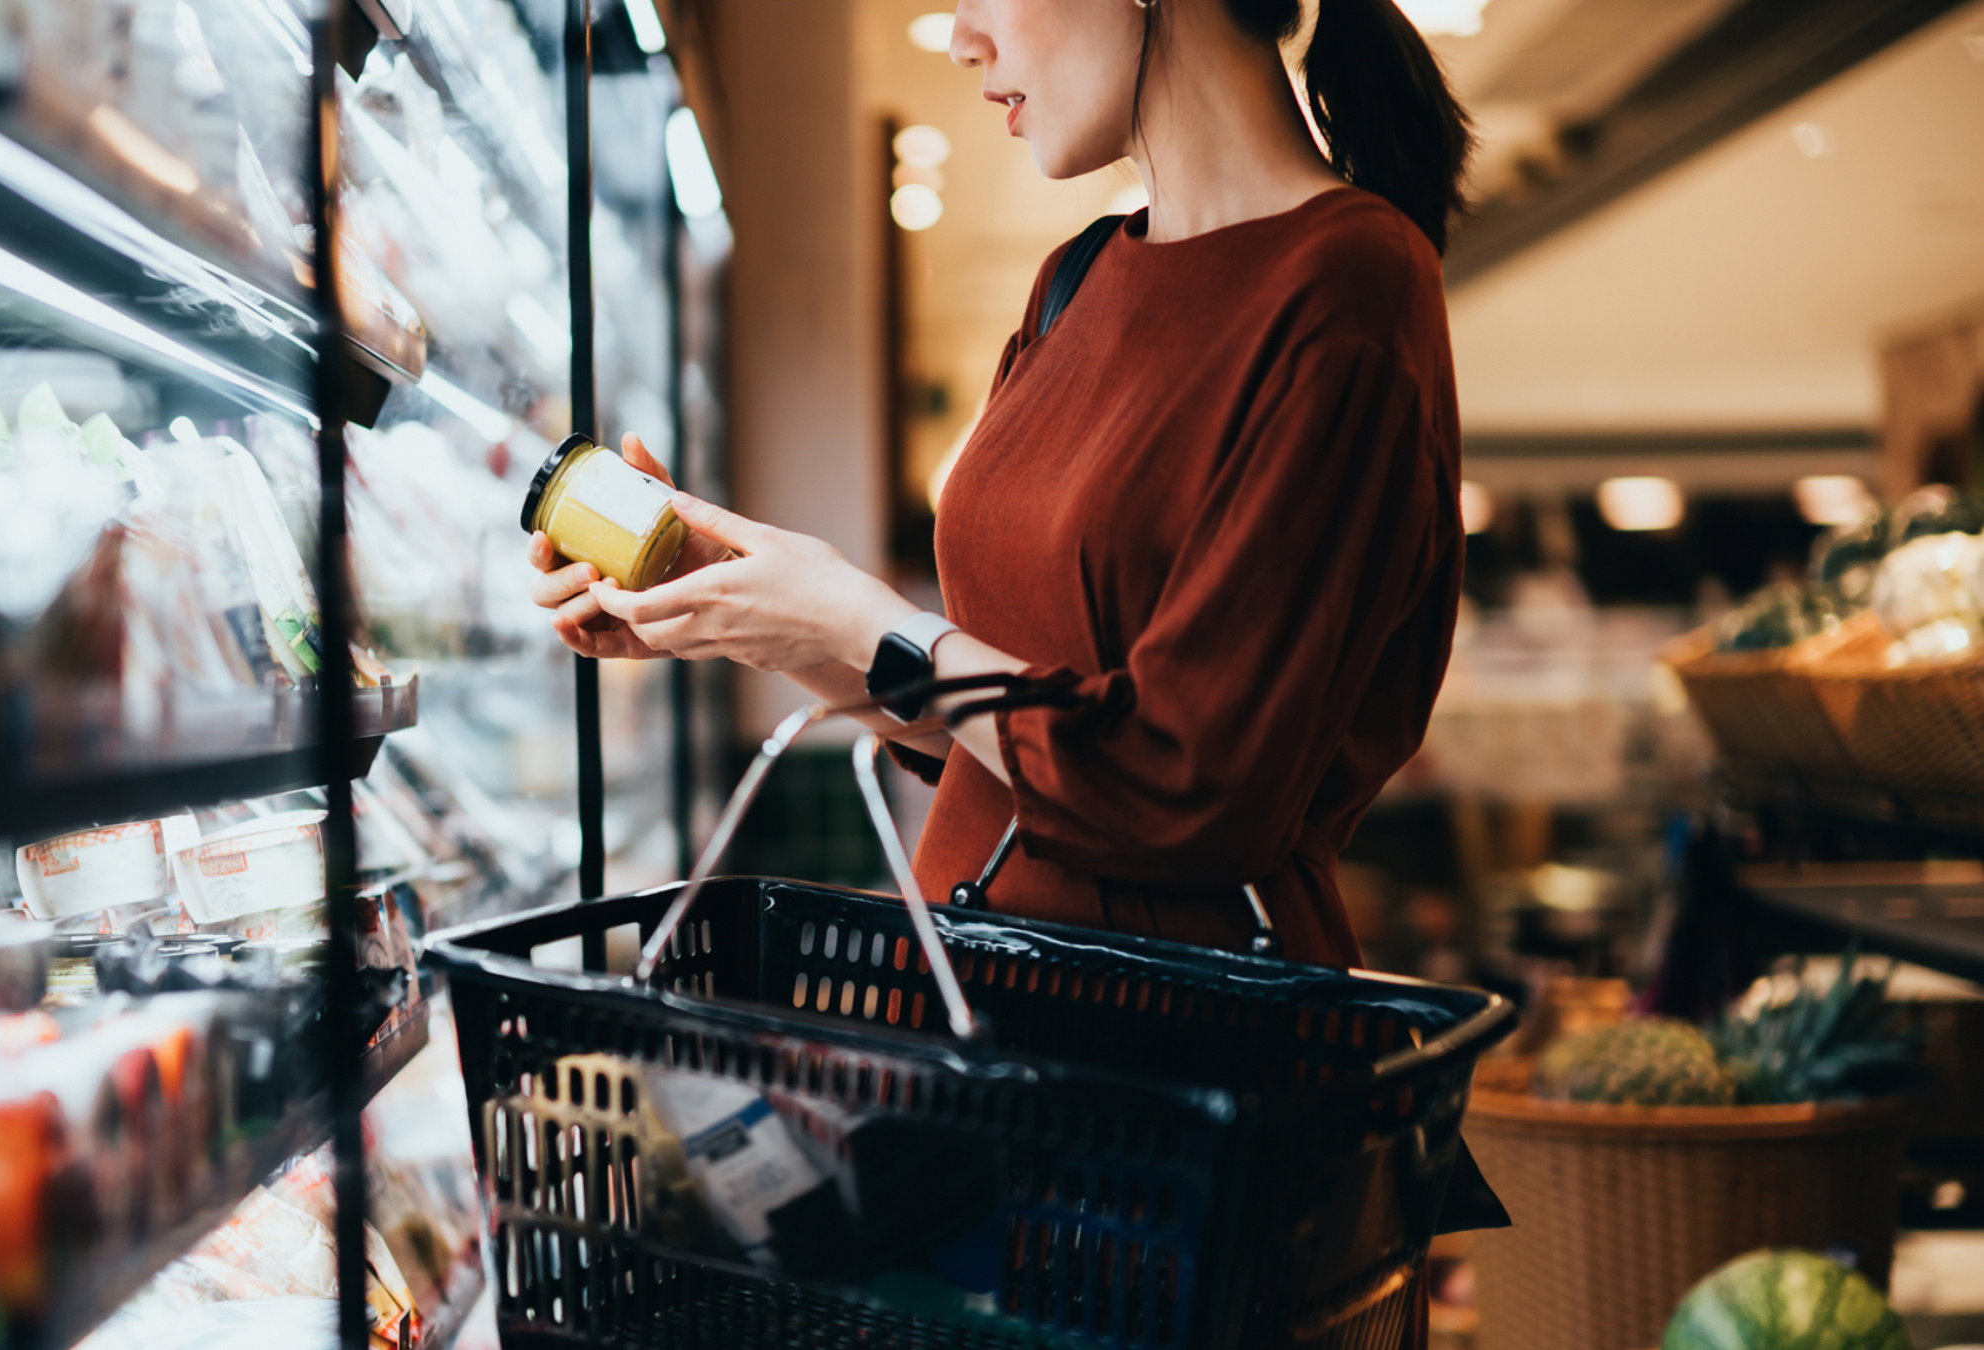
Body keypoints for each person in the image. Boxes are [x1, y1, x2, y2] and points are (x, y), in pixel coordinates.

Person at [528, 0, 1470, 970]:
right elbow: (1015, 750)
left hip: (1168, 1062)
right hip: (982, 1034)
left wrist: (859, 617)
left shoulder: (1347, 285)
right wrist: (730, 598)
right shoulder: (1076, 279)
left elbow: (1185, 791)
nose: (958, 39)